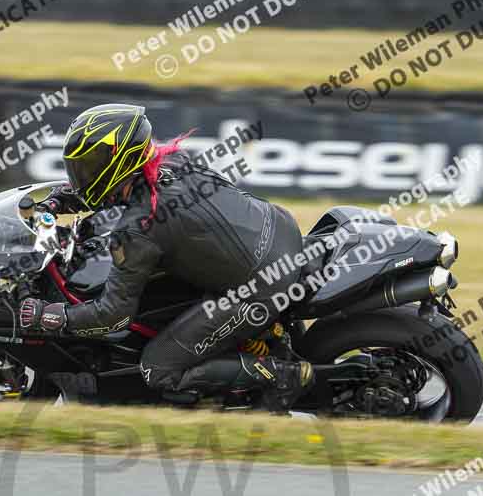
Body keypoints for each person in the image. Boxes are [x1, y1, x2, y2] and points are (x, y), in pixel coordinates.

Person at [19, 103, 314, 412]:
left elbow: (113, 315)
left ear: (118, 161)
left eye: (89, 165)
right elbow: (107, 192)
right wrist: (57, 202)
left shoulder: (137, 230)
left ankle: (284, 376)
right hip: (280, 227)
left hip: (262, 284)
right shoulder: (173, 160)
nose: (82, 174)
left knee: (159, 368)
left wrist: (53, 317)